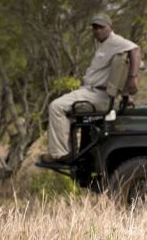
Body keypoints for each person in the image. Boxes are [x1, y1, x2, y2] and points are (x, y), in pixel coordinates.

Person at [40, 13, 141, 163]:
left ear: (110, 27)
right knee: (64, 110)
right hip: (91, 92)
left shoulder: (115, 41)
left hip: (98, 95)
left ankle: (60, 154)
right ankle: (70, 151)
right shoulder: (105, 45)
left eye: (101, 27)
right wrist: (126, 95)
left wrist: (133, 77)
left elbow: (135, 49)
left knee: (56, 106)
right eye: (94, 27)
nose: (97, 31)